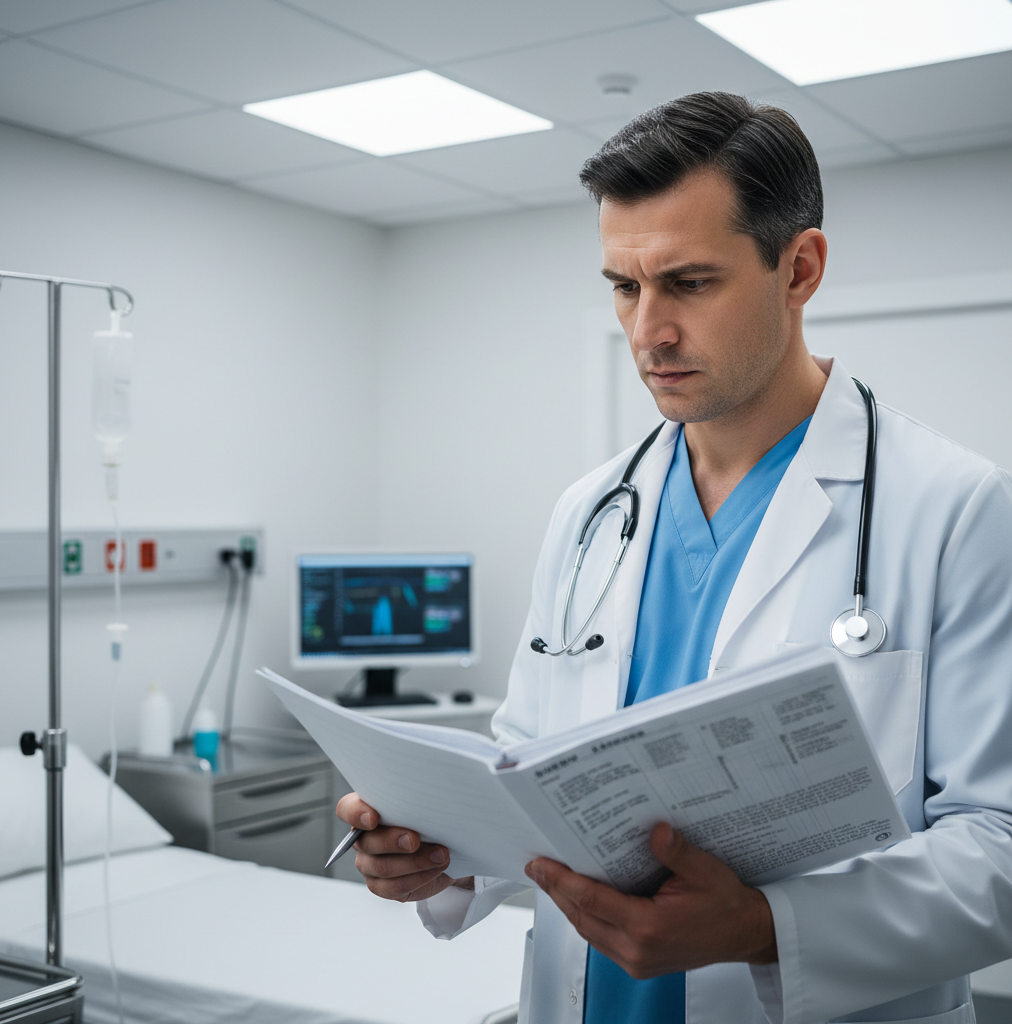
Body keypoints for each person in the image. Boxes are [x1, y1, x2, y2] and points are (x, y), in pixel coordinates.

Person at [337, 92, 1012, 1024]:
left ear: (799, 268)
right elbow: (526, 770)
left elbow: (1002, 845)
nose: (647, 331)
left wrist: (763, 927)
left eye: (689, 283)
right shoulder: (588, 515)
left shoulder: (954, 506)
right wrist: (436, 853)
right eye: (624, 286)